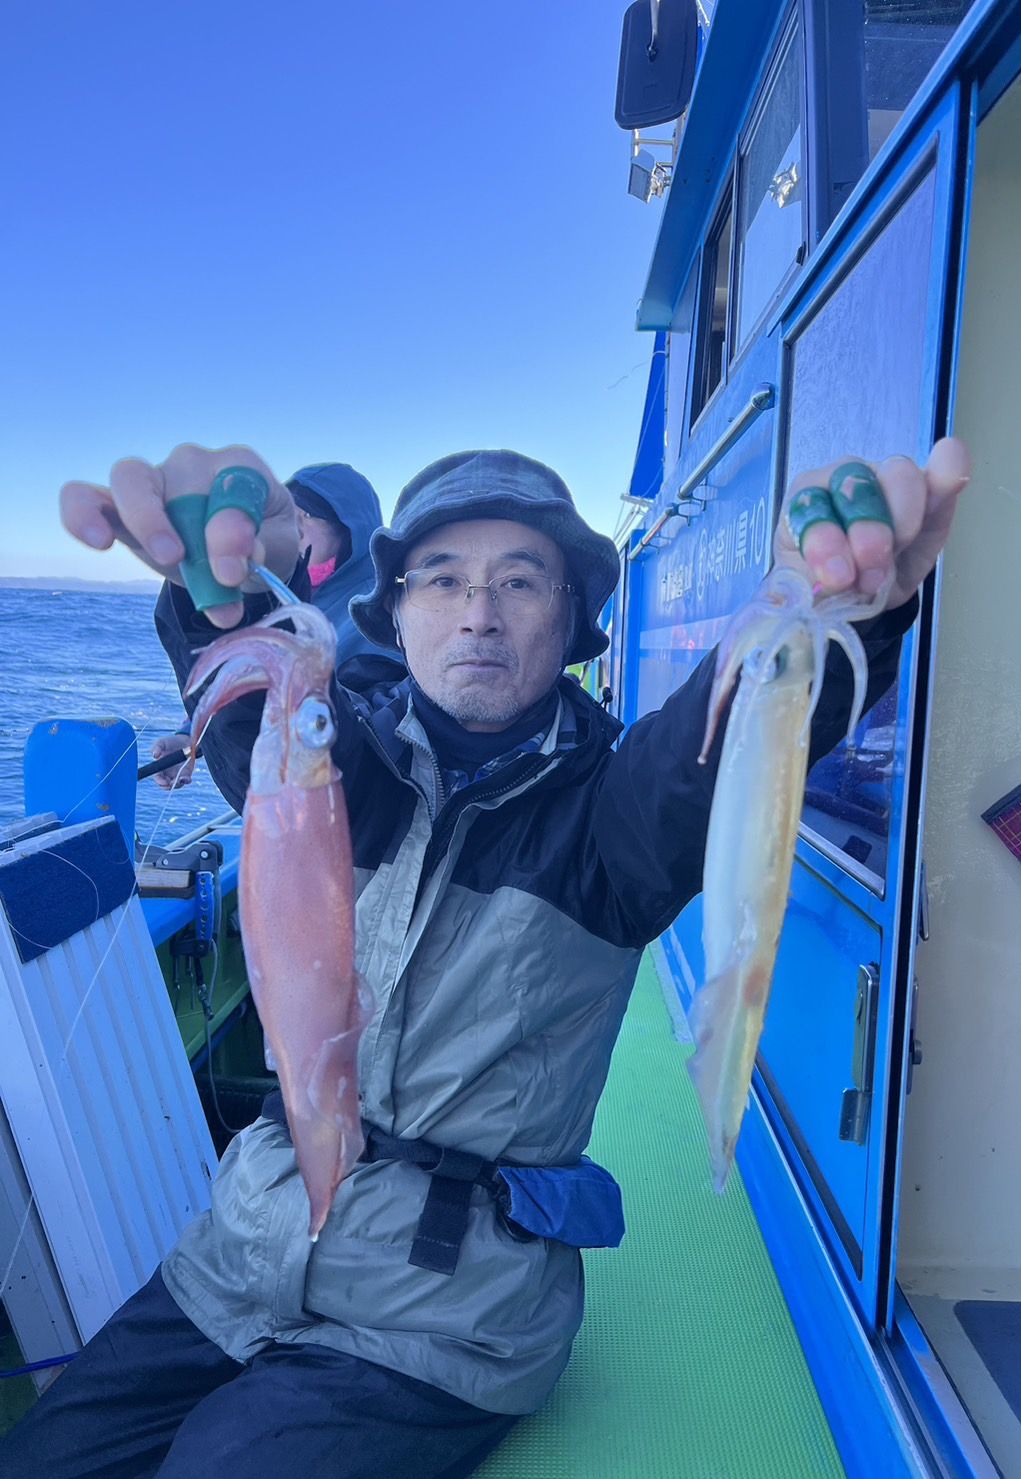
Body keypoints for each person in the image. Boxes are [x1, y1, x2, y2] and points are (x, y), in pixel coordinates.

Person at [5, 437, 971, 1478]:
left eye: (519, 581)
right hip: (235, 1256)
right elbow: (257, 705)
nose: (478, 613)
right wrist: (220, 594)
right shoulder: (335, 767)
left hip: (444, 1320)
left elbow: (723, 739)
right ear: (394, 611)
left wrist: (838, 610)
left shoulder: (615, 819)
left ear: (571, 617)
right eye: (442, 579)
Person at [150, 461, 391, 790]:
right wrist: (189, 739)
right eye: (285, 515)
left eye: (307, 515)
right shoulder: (278, 598)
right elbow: (241, 683)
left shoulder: (380, 611)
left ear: (350, 530)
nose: (294, 528)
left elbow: (357, 731)